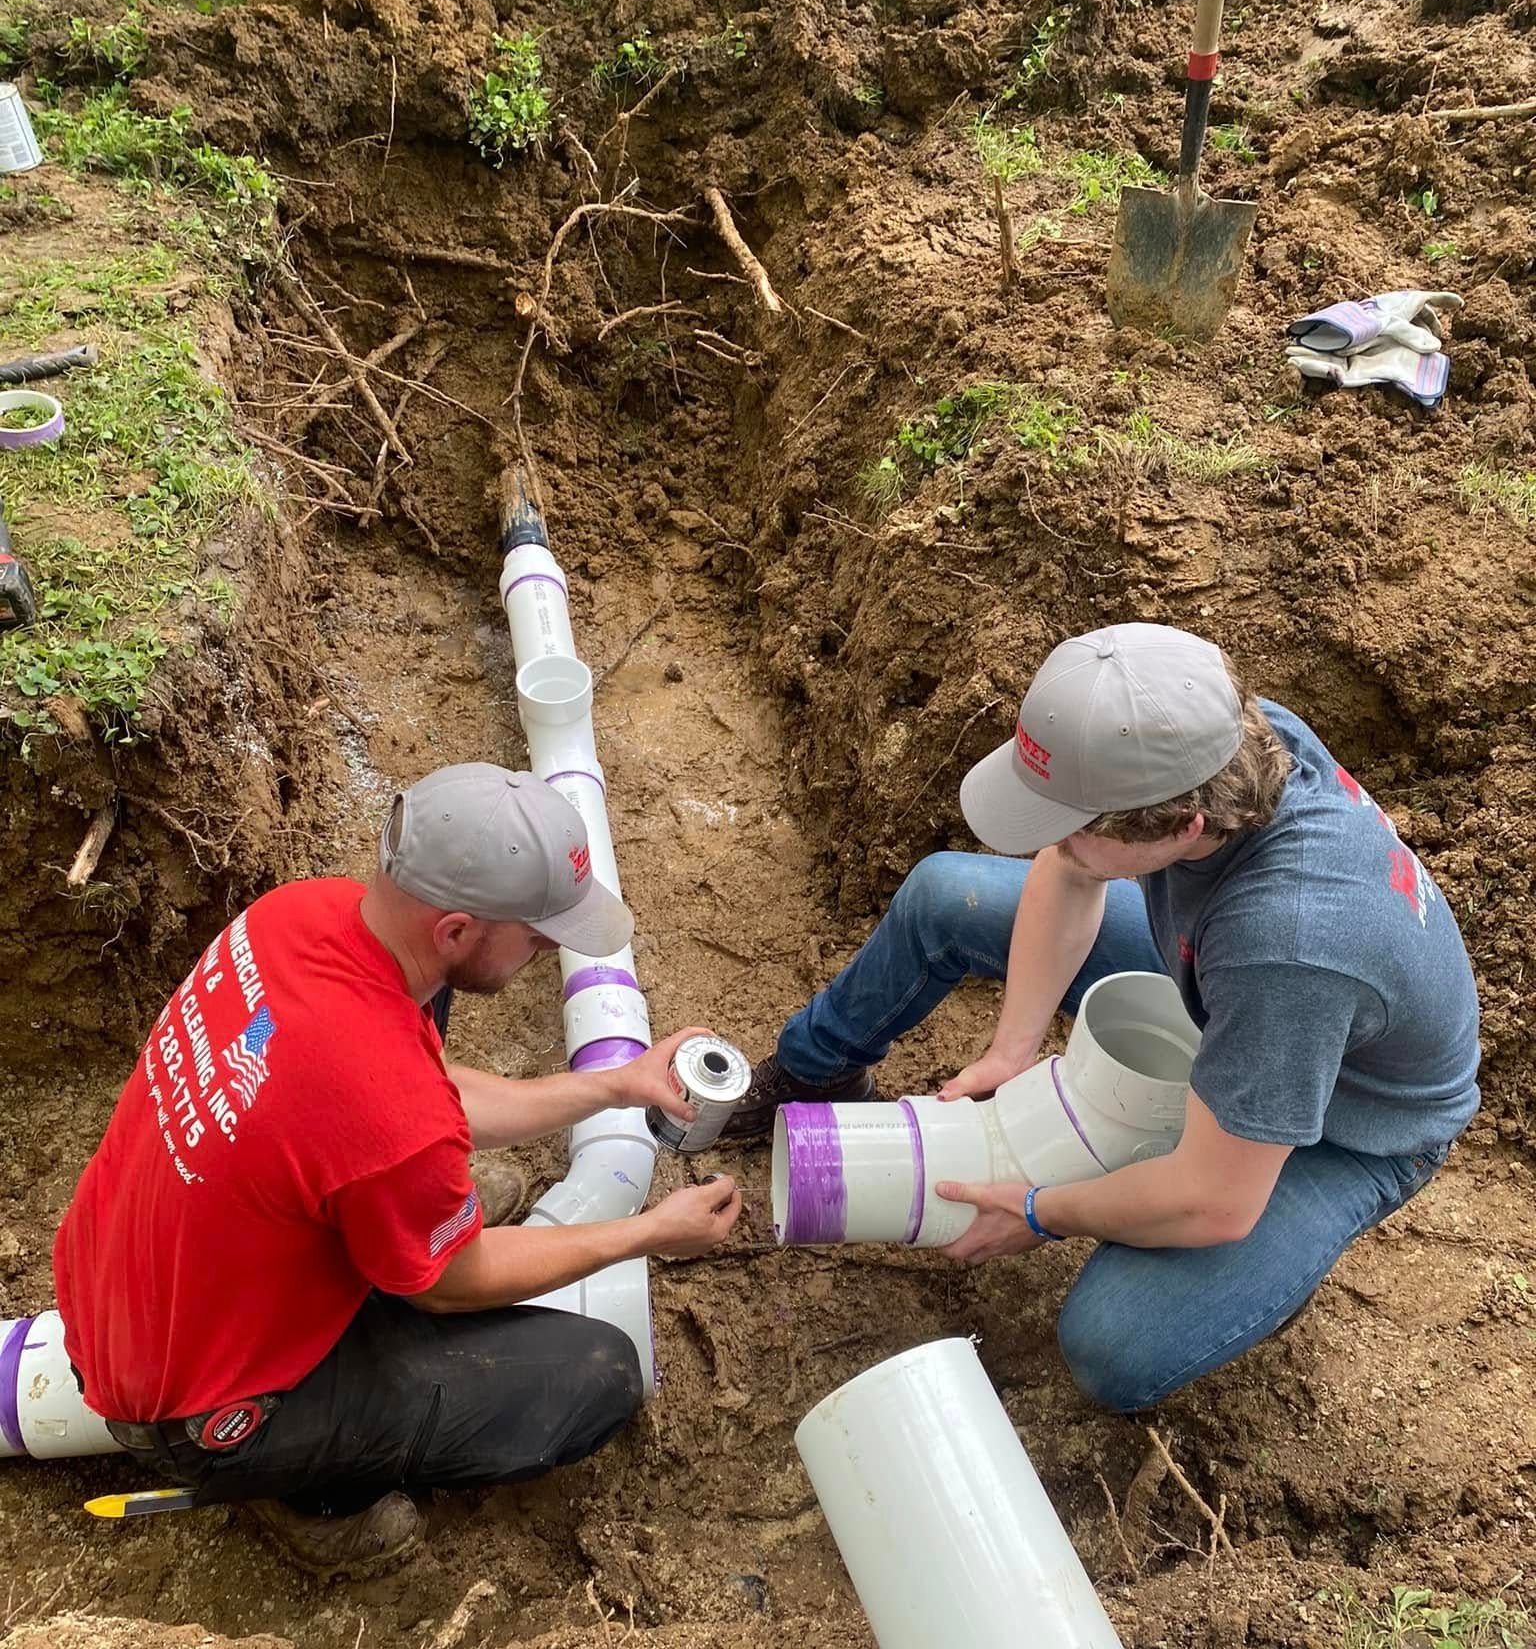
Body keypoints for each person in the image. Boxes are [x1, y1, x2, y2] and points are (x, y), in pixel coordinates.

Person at [725, 623, 1480, 1411]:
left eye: (1076, 824)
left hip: (1351, 1125)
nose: (1052, 840)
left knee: (1115, 1343)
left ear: (1182, 826)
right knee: (948, 896)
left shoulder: (1286, 948)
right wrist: (1012, 1049)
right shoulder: (1216, 735)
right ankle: (819, 1069)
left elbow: (1212, 1201)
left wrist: (1037, 1209)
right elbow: (1069, 866)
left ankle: (1268, 1274)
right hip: (1229, 978)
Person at [55, 764, 741, 1575]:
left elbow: (427, 1089)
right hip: (196, 1406)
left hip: (120, 1280)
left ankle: (401, 1207)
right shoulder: (383, 1108)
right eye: (539, 934)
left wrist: (616, 1084)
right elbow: (448, 1280)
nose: (550, 947)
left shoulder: (300, 914)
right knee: (596, 1377)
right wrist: (644, 1233)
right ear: (454, 930)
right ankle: (303, 1494)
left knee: (410, 1092)